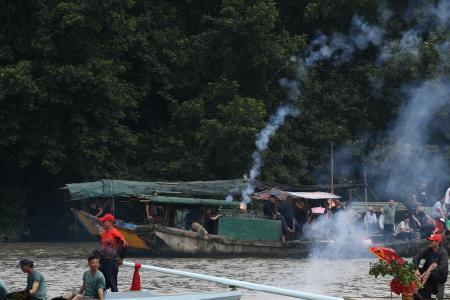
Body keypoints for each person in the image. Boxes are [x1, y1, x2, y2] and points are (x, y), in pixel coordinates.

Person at [98, 213, 127, 292]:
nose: (102, 223)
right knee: (101, 284)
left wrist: (121, 258)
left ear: (110, 222)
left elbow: (124, 244)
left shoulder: (115, 232)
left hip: (111, 262)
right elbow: (103, 248)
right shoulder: (104, 234)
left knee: (112, 284)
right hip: (102, 262)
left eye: (104, 221)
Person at [413, 234, 448, 299]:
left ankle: (434, 294)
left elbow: (441, 268)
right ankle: (417, 291)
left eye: (432, 241)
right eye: (430, 240)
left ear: (437, 242)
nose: (430, 242)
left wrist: (428, 271)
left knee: (433, 274)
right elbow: (416, 258)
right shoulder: (428, 250)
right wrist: (416, 269)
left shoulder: (443, 253)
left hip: (440, 275)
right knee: (418, 271)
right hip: (428, 273)